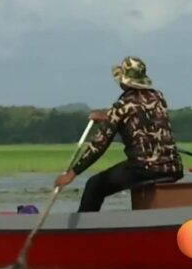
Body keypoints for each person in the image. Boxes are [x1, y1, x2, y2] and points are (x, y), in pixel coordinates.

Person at [54, 56, 183, 212]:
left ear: (124, 81)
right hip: (174, 167)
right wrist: (107, 117)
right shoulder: (158, 97)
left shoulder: (122, 105)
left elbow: (99, 145)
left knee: (94, 185)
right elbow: (139, 114)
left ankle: (86, 226)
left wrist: (72, 174)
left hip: (144, 169)